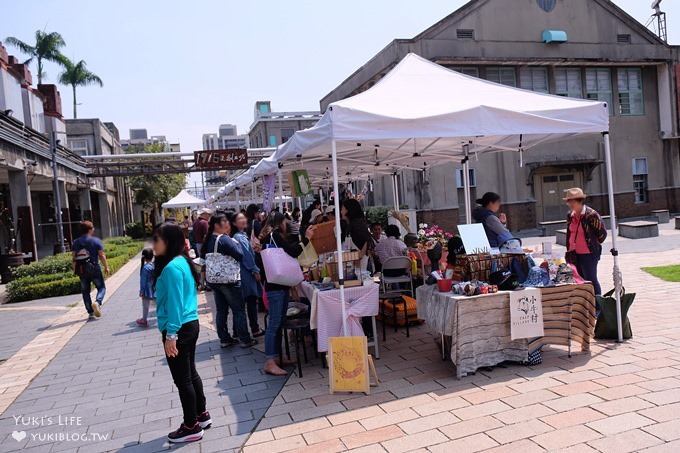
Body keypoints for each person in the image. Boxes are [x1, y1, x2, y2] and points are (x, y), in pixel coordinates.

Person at [152, 222, 210, 443]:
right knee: (190, 374)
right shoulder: (182, 261)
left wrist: (171, 335)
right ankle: (201, 414)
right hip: (190, 323)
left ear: (168, 242)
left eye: (156, 240)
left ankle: (191, 425)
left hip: (179, 327)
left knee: (182, 379)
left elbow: (175, 303)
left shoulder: (171, 268)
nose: (153, 244)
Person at [260, 211, 315, 376]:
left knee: (278, 323)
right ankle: (270, 361)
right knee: (274, 324)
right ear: (280, 223)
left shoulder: (271, 237)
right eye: (286, 222)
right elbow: (293, 252)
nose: (288, 225)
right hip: (276, 288)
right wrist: (306, 238)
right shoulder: (274, 236)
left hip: (278, 286)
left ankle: (276, 357)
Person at [202, 213, 257, 349]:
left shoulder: (209, 240)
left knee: (221, 310)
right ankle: (244, 339)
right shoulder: (224, 239)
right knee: (238, 309)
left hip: (215, 280)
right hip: (228, 280)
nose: (227, 223)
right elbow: (239, 255)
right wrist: (234, 243)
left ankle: (224, 339)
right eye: (224, 221)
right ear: (216, 225)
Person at [564, 188, 607, 295]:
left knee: (591, 279)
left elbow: (602, 234)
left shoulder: (591, 215)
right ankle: (585, 305)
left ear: (580, 200)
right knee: (579, 281)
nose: (571, 204)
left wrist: (592, 244)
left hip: (588, 254)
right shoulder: (570, 215)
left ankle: (598, 306)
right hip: (573, 254)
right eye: (569, 201)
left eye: (573, 201)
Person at [232, 212, 265, 338]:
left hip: (243, 273)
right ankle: (254, 329)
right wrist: (255, 270)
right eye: (240, 219)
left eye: (243, 218)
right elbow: (247, 256)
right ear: (234, 223)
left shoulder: (239, 236)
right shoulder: (240, 237)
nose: (243, 220)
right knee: (250, 302)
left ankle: (237, 332)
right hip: (246, 274)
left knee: (242, 304)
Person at [72, 221, 110, 320]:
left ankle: (90, 313)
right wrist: (106, 266)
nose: (93, 229)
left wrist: (74, 269)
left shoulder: (76, 242)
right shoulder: (95, 241)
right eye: (92, 228)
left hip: (81, 269)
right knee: (101, 288)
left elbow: (74, 258)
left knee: (85, 291)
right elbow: (101, 255)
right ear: (90, 230)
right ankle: (97, 302)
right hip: (94, 268)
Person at [342, 199, 373, 273]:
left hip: (361, 266)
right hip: (355, 265)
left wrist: (360, 256)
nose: (341, 212)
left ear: (348, 210)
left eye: (342, 209)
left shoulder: (357, 224)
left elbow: (367, 240)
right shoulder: (352, 224)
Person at [136, 248, 155, 327]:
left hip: (147, 290)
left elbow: (143, 281)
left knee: (145, 306)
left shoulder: (145, 268)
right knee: (159, 304)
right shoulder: (154, 265)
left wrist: (141, 291)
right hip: (154, 288)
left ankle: (144, 320)